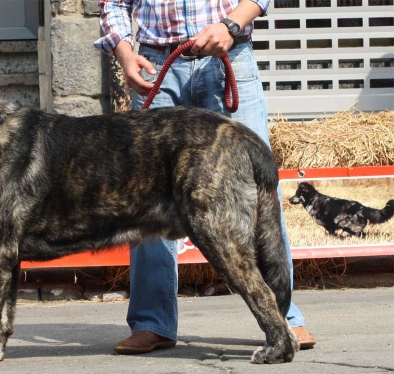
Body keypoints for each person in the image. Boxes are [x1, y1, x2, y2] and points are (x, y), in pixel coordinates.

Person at [94, 0, 316, 354]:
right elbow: (114, 3)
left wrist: (231, 25)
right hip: (157, 64)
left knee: (258, 194)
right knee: (147, 199)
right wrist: (123, 51)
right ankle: (153, 322)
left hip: (230, 56)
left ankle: (284, 317)